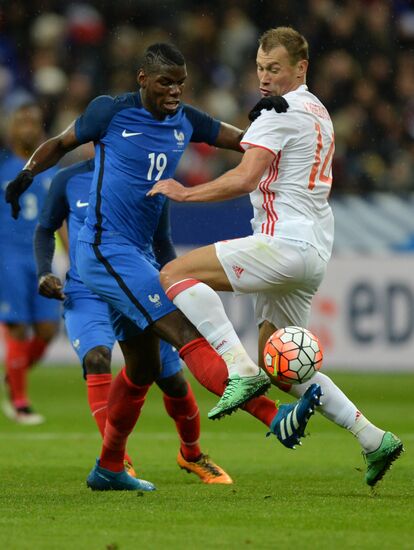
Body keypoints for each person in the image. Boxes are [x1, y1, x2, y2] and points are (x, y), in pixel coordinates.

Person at [5, 42, 322, 492]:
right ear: (142, 80)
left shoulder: (186, 120)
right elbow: (59, 144)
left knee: (141, 368)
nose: (174, 91)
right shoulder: (109, 113)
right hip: (103, 251)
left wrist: (270, 113)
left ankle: (110, 466)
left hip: (136, 254)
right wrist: (24, 178)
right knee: (187, 333)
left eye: (181, 83)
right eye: (165, 83)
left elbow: (245, 143)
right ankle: (276, 417)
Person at [148, 27, 403, 488]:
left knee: (174, 273)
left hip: (282, 243)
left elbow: (245, 178)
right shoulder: (315, 109)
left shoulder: (280, 112)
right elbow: (281, 151)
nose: (265, 78)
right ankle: (373, 438)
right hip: (312, 251)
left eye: (275, 69)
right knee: (279, 362)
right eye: (261, 68)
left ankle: (237, 369)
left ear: (300, 68)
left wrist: (185, 194)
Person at [34, 158, 233, 484]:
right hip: (86, 291)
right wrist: (45, 271)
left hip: (137, 286)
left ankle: (192, 454)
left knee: (172, 380)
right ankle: (116, 460)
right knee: (97, 358)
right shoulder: (67, 180)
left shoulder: (146, 179)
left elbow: (162, 241)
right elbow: (45, 229)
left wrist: (177, 287)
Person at [0, 101, 60, 425]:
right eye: (20, 121)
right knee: (17, 327)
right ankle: (20, 402)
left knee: (49, 330)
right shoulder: (2, 166)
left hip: (42, 257)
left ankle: (14, 373)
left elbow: (62, 215)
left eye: (32, 121)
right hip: (6, 256)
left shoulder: (51, 170)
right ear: (11, 129)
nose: (26, 127)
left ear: (41, 130)